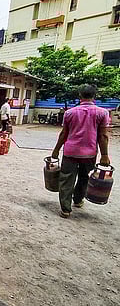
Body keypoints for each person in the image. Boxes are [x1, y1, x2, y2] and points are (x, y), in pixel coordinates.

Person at [52, 84, 110, 218]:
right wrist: (104, 155)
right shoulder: (102, 113)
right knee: (84, 177)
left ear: (80, 96)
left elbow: (64, 134)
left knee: (66, 179)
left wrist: (56, 150)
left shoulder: (70, 113)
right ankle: (78, 200)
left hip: (70, 152)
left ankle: (65, 209)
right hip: (89, 153)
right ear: (94, 96)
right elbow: (103, 136)